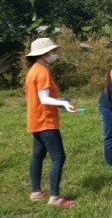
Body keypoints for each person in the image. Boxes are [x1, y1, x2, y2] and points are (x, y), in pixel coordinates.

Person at [25, 38, 77, 207]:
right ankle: (54, 198)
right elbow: (44, 98)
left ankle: (36, 192)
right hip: (46, 121)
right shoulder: (42, 72)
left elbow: (42, 99)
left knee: (38, 156)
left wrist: (62, 103)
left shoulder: (33, 70)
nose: (54, 54)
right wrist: (63, 103)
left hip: (36, 120)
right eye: (52, 51)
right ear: (43, 54)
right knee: (58, 157)